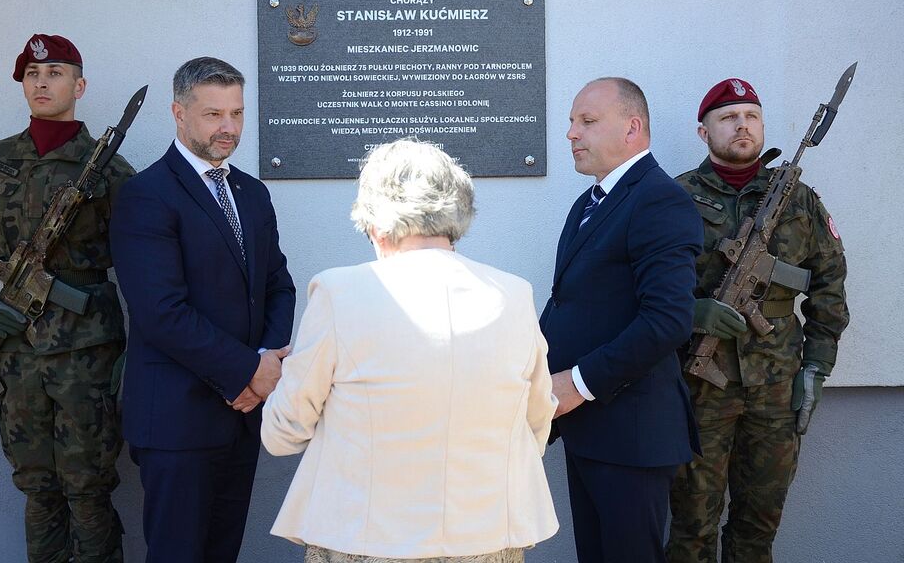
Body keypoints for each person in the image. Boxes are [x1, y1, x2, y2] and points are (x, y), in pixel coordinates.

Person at [261, 139, 559, 563]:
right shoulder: (513, 294)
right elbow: (535, 425)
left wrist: (279, 383)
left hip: (364, 539)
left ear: (375, 222)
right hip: (486, 537)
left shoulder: (337, 292)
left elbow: (284, 432)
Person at [0, 34, 135, 562]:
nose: (42, 82)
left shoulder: (110, 171)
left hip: (87, 356)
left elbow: (148, 267)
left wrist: (138, 352)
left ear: (79, 85)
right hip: (17, 354)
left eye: (56, 73)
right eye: (32, 75)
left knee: (89, 491)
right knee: (38, 489)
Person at [109, 56, 295, 563]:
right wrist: (247, 372)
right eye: (213, 115)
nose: (229, 128)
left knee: (222, 553)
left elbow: (278, 286)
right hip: (177, 421)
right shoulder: (146, 195)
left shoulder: (252, 193)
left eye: (236, 113)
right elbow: (161, 312)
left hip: (242, 417)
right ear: (178, 113)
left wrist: (268, 364)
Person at [666, 78, 849, 563]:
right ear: (703, 132)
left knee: (758, 524)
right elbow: (643, 289)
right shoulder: (674, 197)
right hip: (700, 387)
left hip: (775, 388)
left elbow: (829, 285)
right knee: (691, 525)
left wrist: (815, 368)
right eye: (728, 117)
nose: (742, 125)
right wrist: (689, 314)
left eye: (751, 116)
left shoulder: (800, 200)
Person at [540, 77, 703, 563]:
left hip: (631, 435)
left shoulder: (658, 199)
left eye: (587, 121)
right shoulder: (590, 202)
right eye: (571, 122)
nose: (571, 133)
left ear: (632, 129)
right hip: (589, 429)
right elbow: (572, 305)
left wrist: (579, 383)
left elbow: (668, 320)